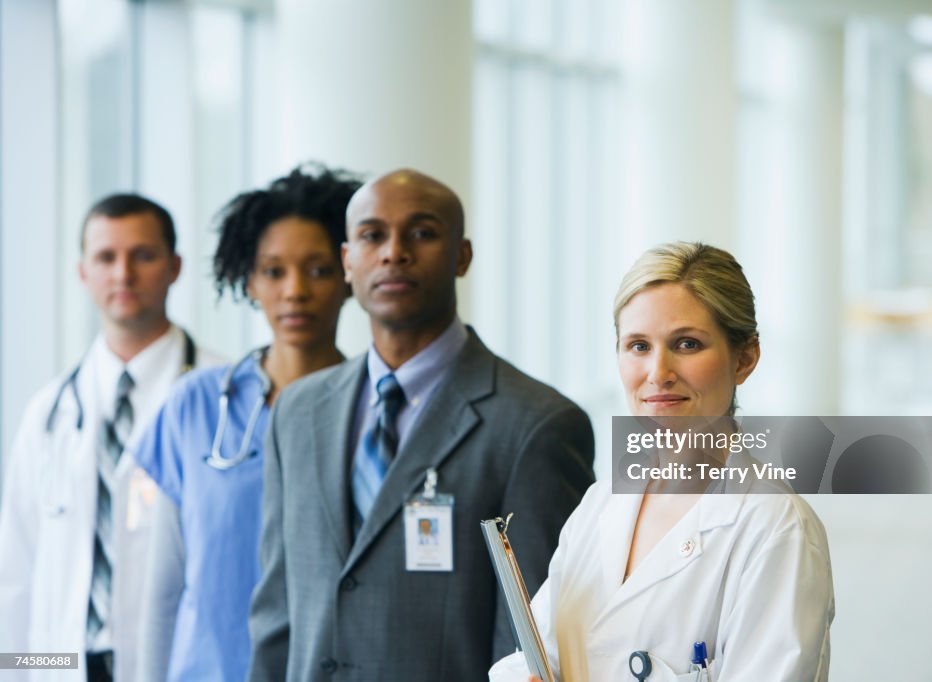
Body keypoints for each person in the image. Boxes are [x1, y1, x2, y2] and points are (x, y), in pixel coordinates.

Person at [247, 168, 596, 682]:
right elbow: (277, 614)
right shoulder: (298, 413)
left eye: (422, 233)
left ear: (462, 256)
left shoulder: (536, 425)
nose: (394, 252)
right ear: (347, 261)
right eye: (372, 236)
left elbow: (533, 646)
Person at [490, 242, 835, 682]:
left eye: (687, 344)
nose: (658, 372)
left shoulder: (776, 528)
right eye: (637, 346)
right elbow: (539, 652)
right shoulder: (602, 503)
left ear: (745, 358)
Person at [130, 166, 361, 682]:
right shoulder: (195, 406)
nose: (295, 291)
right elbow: (164, 587)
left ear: (348, 274)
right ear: (249, 281)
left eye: (318, 269)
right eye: (274, 271)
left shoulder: (374, 412)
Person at [0, 194, 221, 682]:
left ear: (175, 267)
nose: (123, 274)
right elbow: (15, 576)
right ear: (83, 272)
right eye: (105, 258)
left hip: (177, 665)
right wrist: (19, 672)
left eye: (143, 256)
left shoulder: (222, 393)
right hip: (64, 666)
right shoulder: (48, 412)